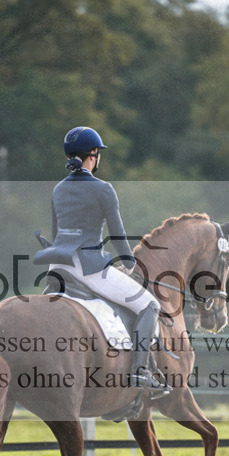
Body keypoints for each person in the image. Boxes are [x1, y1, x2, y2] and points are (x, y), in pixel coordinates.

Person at [34, 126, 166, 394]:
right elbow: (118, 237)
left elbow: (56, 233)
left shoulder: (58, 189)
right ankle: (140, 372)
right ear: (93, 155)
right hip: (88, 268)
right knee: (150, 305)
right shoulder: (103, 189)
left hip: (57, 268)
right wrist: (132, 267)